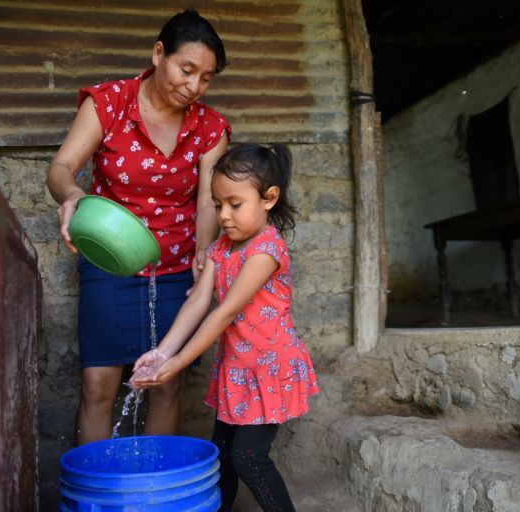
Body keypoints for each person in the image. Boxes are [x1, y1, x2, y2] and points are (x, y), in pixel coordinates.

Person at [46, 9, 231, 445]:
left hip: (175, 269)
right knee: (99, 385)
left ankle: (155, 491)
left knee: (164, 383)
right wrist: (73, 195)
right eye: (186, 70)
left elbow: (207, 198)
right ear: (158, 53)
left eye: (206, 78)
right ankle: (95, 496)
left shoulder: (210, 128)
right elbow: (62, 167)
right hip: (109, 261)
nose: (193, 86)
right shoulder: (109, 102)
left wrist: (203, 252)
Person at [129, 143, 319, 512]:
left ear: (269, 199)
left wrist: (179, 363)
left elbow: (224, 312)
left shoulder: (265, 250)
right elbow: (199, 301)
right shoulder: (222, 247)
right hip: (237, 369)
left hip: (268, 368)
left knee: (248, 457)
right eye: (217, 205)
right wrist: (163, 352)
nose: (224, 215)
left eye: (235, 204)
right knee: (223, 456)